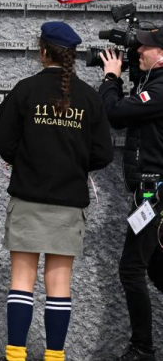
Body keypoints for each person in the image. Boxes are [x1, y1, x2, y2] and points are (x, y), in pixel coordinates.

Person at [0, 21, 114, 361]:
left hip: (29, 197)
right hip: (68, 202)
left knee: (21, 281)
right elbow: (103, 153)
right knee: (59, 285)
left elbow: (2, 139)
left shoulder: (25, 90)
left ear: (42, 51)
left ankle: (15, 356)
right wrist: (72, 163)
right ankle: (54, 356)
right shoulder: (89, 97)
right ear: (71, 55)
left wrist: (26, 161)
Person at [99, 28, 163, 361]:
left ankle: (142, 349)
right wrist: (131, 59)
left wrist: (111, 77)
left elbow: (116, 114)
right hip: (151, 193)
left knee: (131, 269)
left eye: (146, 48)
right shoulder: (153, 84)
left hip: (154, 196)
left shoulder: (161, 90)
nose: (139, 53)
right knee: (155, 268)